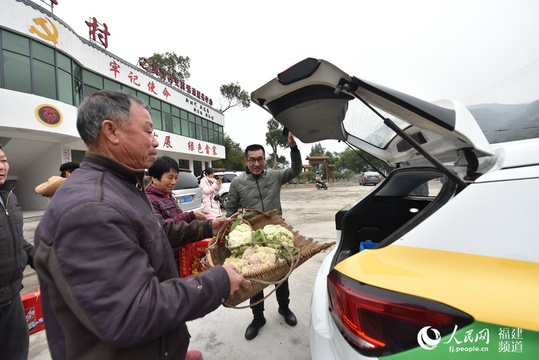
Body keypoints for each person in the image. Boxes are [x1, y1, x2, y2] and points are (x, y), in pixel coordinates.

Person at [33, 90, 249, 360]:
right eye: (148, 131)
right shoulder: (90, 208)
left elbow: (156, 232)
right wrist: (218, 281)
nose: (156, 140)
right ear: (111, 131)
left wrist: (208, 227)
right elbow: (131, 312)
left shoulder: (123, 186)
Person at [225, 133, 302, 340]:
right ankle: (258, 318)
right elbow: (230, 211)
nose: (256, 163)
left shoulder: (275, 176)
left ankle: (284, 309)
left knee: (281, 276)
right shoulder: (238, 183)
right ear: (246, 161)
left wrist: (293, 149)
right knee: (254, 281)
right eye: (252, 159)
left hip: (277, 236)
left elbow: (296, 170)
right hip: (253, 240)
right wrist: (231, 235)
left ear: (264, 159)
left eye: (260, 159)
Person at [0, 144, 35, 360]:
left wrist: (44, 259)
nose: (1, 166)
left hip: (11, 297)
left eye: (3, 160)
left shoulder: (9, 197)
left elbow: (17, 241)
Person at [147, 155, 208, 273]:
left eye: (176, 177)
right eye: (170, 177)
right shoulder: (149, 200)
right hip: (165, 260)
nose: (174, 182)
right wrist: (191, 215)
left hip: (179, 253)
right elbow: (164, 228)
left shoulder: (169, 195)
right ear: (154, 178)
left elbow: (178, 220)